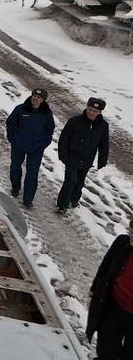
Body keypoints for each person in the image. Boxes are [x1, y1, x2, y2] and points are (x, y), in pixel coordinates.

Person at [86, 219, 133, 359]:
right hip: (114, 305)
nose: (131, 236)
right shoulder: (122, 242)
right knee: (106, 351)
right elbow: (105, 267)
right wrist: (94, 288)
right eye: (131, 231)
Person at [56, 97, 110, 214]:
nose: (91, 112)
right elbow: (64, 138)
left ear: (99, 112)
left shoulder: (103, 126)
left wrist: (102, 159)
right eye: (90, 109)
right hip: (72, 156)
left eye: (95, 111)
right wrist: (63, 155)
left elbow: (104, 144)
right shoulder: (75, 121)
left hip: (87, 158)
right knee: (70, 181)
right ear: (87, 107)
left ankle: (74, 199)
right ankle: (62, 205)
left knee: (80, 181)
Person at [5, 87, 55, 207]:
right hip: (19, 144)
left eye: (39, 97)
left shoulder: (47, 113)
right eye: (34, 96)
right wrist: (12, 138)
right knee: (15, 167)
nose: (35, 98)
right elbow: (10, 123)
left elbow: (50, 129)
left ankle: (28, 199)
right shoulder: (20, 109)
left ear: (43, 100)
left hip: (36, 148)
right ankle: (15, 187)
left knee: (32, 173)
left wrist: (44, 143)